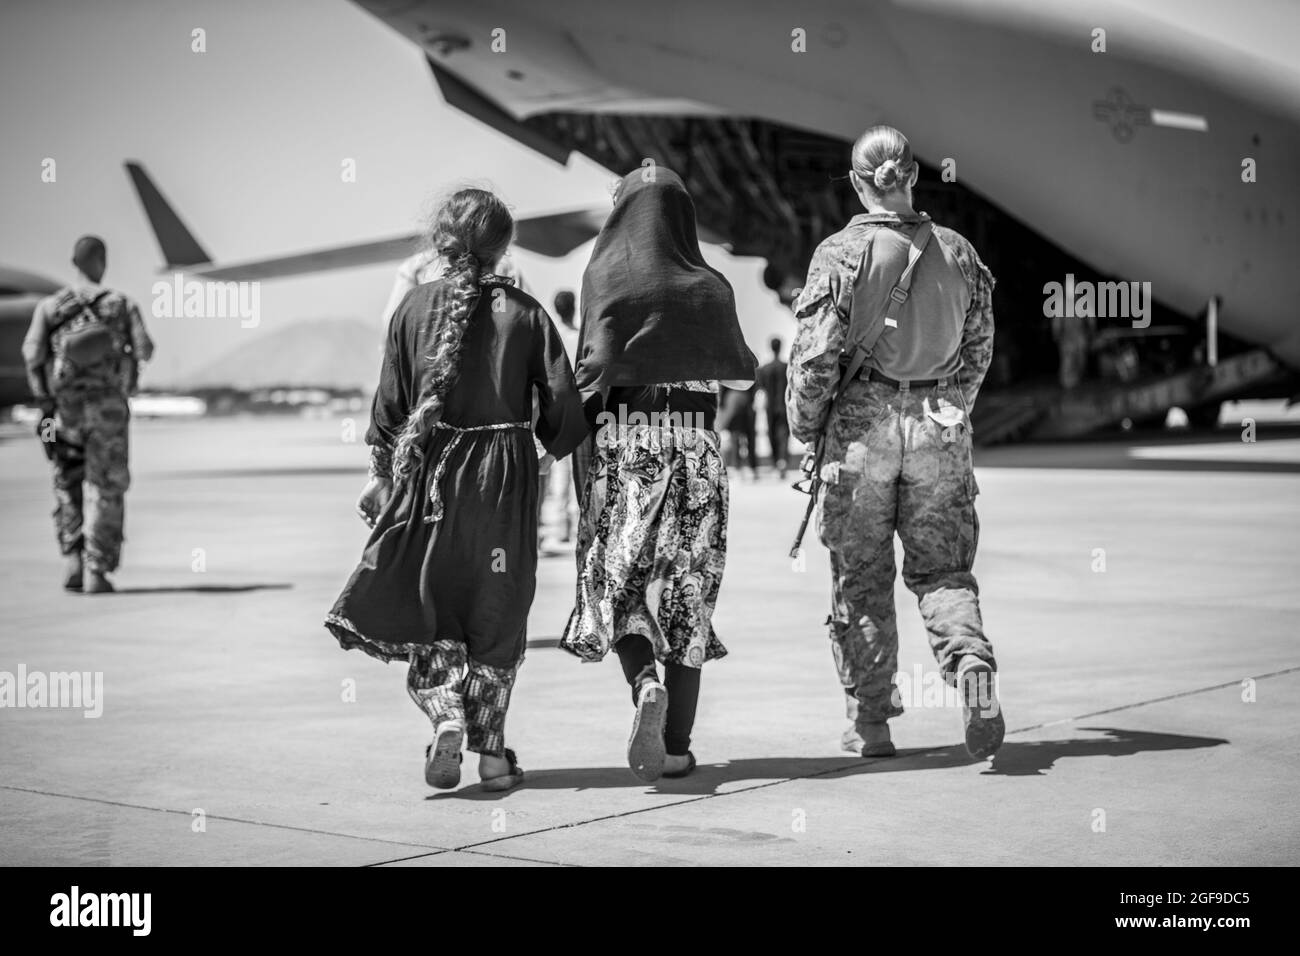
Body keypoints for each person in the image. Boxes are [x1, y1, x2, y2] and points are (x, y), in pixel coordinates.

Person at [326, 189, 586, 791]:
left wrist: (382, 477)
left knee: (431, 600)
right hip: (503, 479)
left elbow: (388, 412)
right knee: (496, 608)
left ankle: (444, 714)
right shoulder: (526, 313)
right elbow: (564, 413)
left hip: (431, 475)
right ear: (503, 248)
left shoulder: (411, 310)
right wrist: (544, 451)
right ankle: (493, 757)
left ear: (439, 242)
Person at [787, 126, 1004, 761]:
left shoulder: (839, 254)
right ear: (913, 176)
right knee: (943, 570)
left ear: (859, 182)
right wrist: (950, 406)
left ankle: (872, 724)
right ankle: (968, 665)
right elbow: (980, 350)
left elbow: (815, 359)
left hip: (861, 432)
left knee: (861, 578)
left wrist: (807, 429)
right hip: (938, 425)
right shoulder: (960, 253)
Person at [561, 167, 756, 782]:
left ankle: (645, 682)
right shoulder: (711, 286)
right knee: (688, 596)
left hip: (627, 450)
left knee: (615, 582)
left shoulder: (604, 277)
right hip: (698, 454)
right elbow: (743, 377)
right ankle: (676, 747)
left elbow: (590, 374)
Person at [22, 235, 154, 594]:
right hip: (109, 413)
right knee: (107, 488)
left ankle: (72, 559)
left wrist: (46, 403)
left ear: (73, 261)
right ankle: (98, 568)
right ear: (101, 260)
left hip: (64, 415)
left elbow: (32, 354)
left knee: (67, 483)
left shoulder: (51, 307)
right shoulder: (121, 304)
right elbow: (145, 348)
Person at [540, 290, 581, 545]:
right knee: (580, 466)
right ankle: (576, 520)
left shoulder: (552, 339)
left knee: (560, 467)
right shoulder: (580, 337)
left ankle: (561, 524)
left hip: (556, 406)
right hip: (582, 406)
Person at [756, 336, 791, 477]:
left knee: (772, 435)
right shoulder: (786, 367)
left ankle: (776, 461)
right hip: (784, 405)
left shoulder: (765, 369)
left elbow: (760, 388)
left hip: (770, 407)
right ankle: (782, 460)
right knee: (784, 435)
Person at [716, 384, 760, 481]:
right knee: (747, 437)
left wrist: (722, 405)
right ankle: (750, 467)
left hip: (733, 401)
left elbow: (722, 387)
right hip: (745, 400)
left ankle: (738, 467)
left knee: (735, 437)